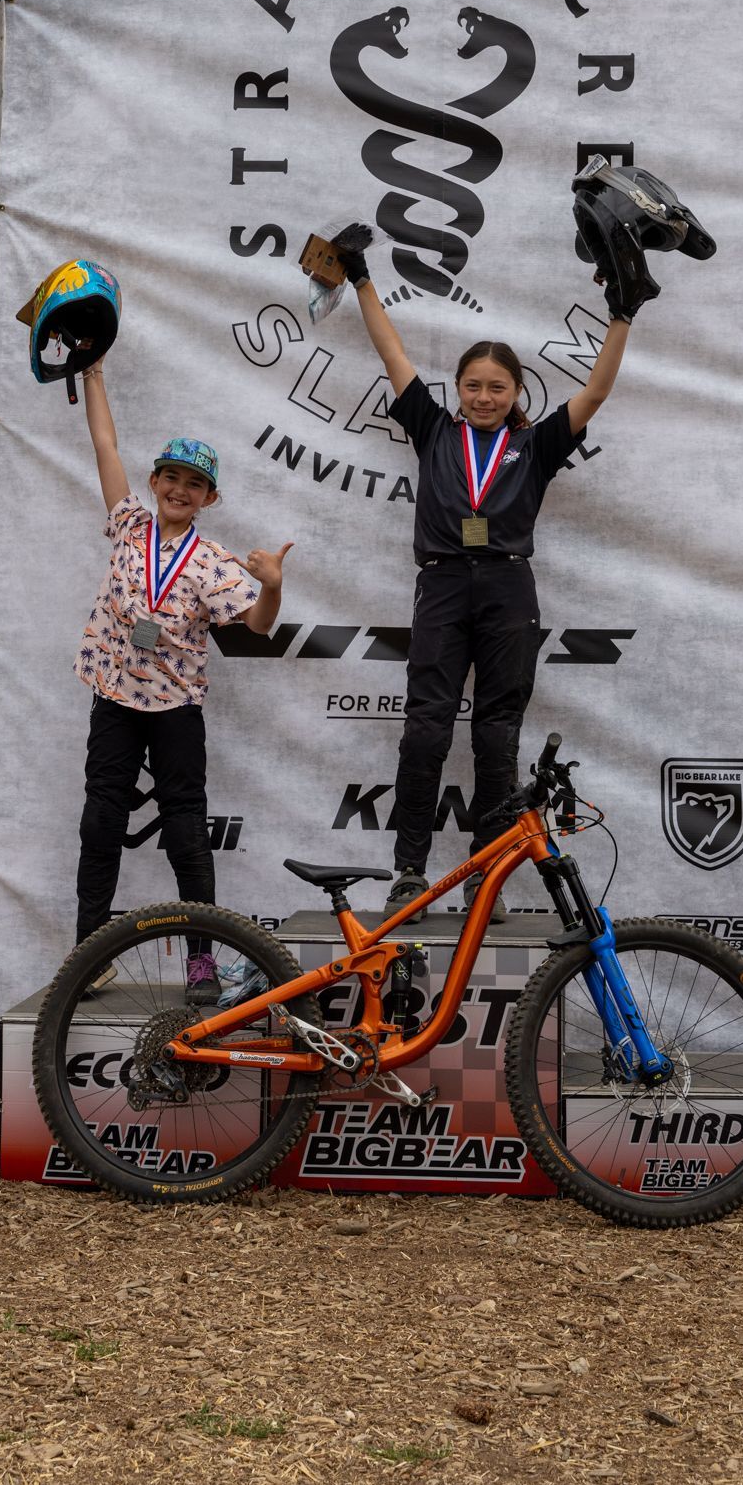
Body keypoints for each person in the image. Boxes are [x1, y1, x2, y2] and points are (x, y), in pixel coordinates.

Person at [337, 241, 631, 923]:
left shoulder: (535, 446)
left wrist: (620, 316)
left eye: (497, 387)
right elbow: (391, 352)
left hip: (506, 591)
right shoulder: (433, 429)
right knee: (424, 733)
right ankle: (409, 873)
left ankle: (484, 876)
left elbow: (596, 390)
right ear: (458, 389)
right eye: (473, 385)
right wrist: (359, 277)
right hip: (441, 587)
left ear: (516, 395)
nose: (484, 397)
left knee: (496, 739)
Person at [72, 359, 292, 998]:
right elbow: (104, 443)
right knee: (99, 825)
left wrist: (273, 587)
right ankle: (91, 954)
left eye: (194, 483)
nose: (179, 489)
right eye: (171, 476)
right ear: (154, 481)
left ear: (209, 498)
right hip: (113, 699)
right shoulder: (128, 525)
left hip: (173, 709)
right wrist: (93, 374)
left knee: (188, 835)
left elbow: (257, 626)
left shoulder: (215, 563)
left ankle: (202, 963)